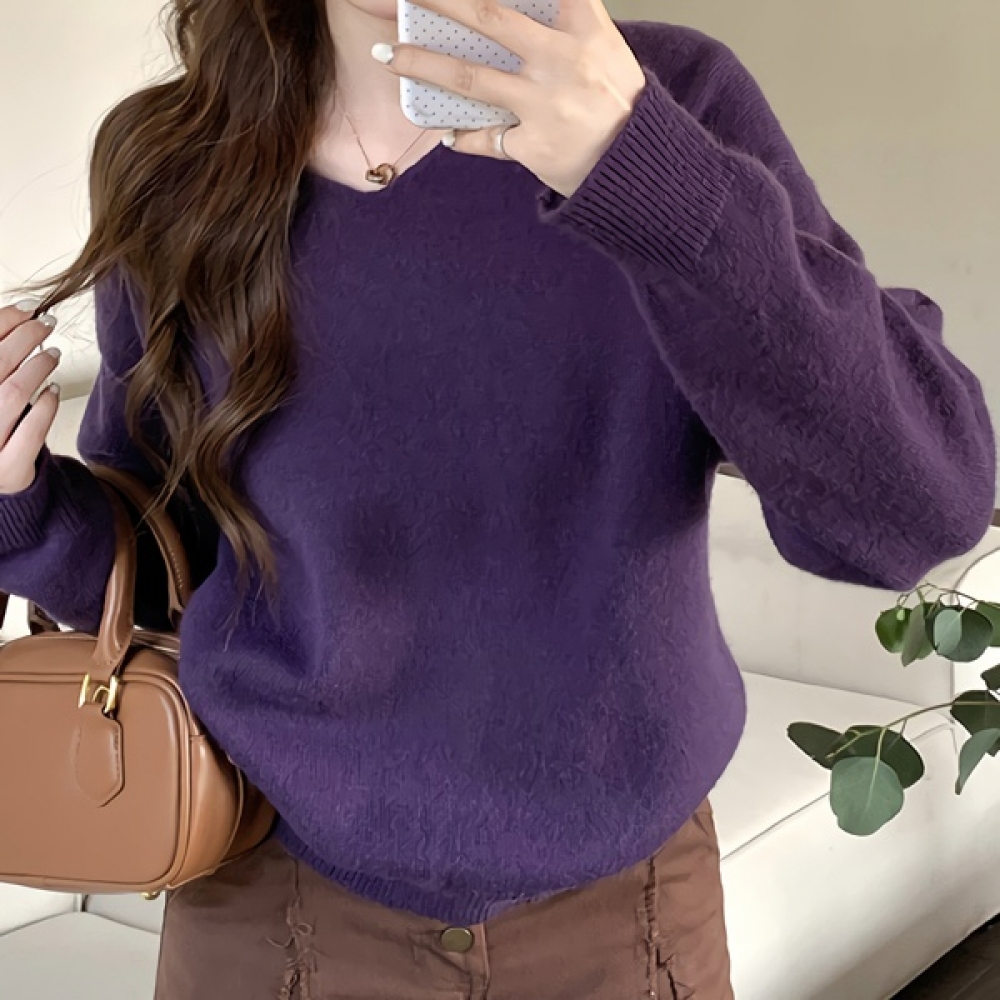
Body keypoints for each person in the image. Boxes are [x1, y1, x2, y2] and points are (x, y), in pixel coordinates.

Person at [1, 0, 996, 996]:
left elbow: (917, 510)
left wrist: (641, 169)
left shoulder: (674, 100)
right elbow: (171, 573)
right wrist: (18, 501)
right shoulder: (174, 158)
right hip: (270, 909)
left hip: (627, 924)